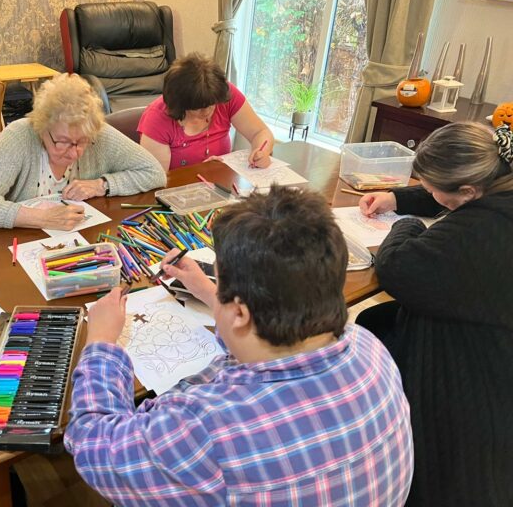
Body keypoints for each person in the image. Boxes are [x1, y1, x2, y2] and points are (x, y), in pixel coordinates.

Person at [65, 186, 414, 506]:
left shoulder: (206, 429)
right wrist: (209, 292)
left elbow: (92, 446)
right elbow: (262, 346)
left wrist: (101, 343)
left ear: (240, 313)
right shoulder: (369, 347)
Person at [356, 121, 513, 507]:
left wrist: (406, 224)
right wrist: (396, 198)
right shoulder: (497, 175)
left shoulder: (484, 229)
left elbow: (397, 267)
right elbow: (448, 193)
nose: (428, 194)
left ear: (468, 192)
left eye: (430, 190)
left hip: (474, 375)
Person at [0, 73, 167, 230]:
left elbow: (154, 172)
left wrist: (101, 185)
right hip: (21, 245)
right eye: (63, 142)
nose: (74, 153)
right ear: (42, 128)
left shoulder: (96, 132)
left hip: (81, 243)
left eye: (82, 142)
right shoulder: (19, 136)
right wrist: (42, 218)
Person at [138, 53, 274, 171]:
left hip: (220, 183)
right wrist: (199, 171)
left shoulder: (221, 94)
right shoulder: (157, 118)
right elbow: (157, 181)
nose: (207, 111)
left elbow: (261, 132)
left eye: (212, 104)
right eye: (198, 107)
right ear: (181, 103)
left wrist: (262, 152)